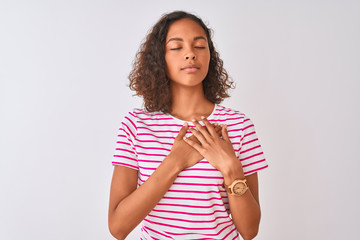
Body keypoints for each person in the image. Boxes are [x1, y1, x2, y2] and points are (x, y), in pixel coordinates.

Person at [108, 11, 268, 240]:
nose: (191, 54)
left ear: (210, 56)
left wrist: (230, 167)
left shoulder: (238, 125)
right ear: (160, 58)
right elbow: (118, 227)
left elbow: (249, 230)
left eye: (200, 46)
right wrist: (175, 161)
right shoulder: (136, 125)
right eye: (176, 47)